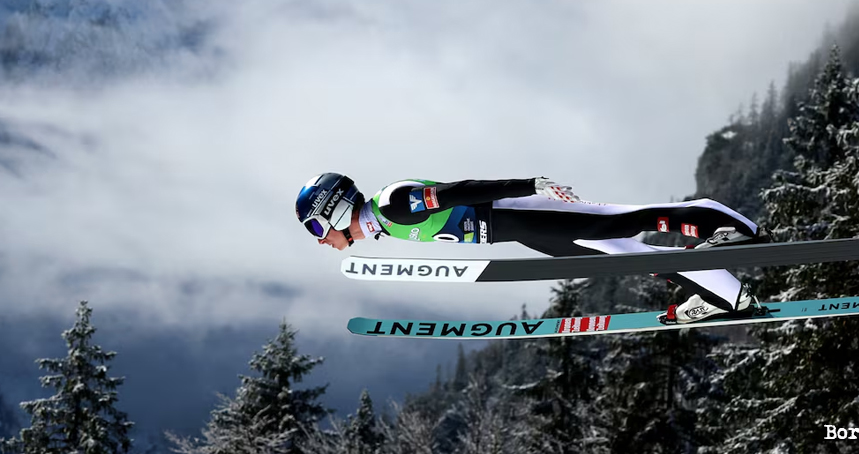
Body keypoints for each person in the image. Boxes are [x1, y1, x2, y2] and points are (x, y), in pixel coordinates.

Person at [295, 173, 770, 323]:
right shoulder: (384, 221)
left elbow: (460, 192)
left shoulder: (393, 204)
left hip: (521, 214)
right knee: (626, 254)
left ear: (334, 210)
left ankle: (729, 224)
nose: (323, 240)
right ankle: (726, 295)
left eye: (318, 227)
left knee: (628, 223)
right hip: (520, 231)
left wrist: (529, 182)